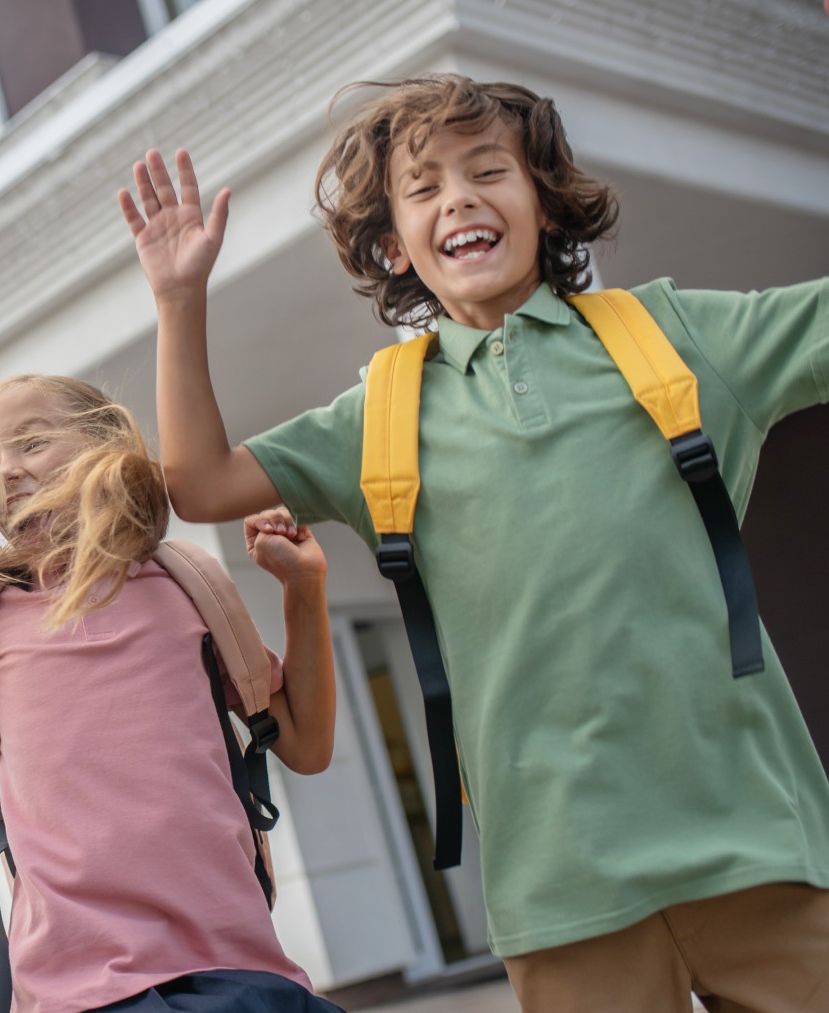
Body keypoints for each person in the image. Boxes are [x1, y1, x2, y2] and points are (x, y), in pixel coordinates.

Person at [124, 74, 829, 1011]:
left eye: (489, 170)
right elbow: (202, 482)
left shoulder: (677, 336)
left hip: (760, 845)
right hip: (560, 891)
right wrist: (179, 300)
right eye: (423, 188)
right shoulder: (380, 415)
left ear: (545, 201)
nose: (458, 197)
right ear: (394, 244)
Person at [0, 374, 342, 1013]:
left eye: (32, 443)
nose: (6, 472)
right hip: (80, 991)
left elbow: (306, 745)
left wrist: (303, 588)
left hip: (238, 969)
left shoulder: (190, 585)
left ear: (105, 445)